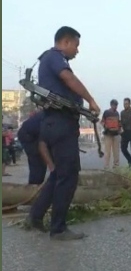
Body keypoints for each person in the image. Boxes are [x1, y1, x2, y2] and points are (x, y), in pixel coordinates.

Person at [25, 26, 101, 240]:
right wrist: (91, 99)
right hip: (60, 125)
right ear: (66, 42)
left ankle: (36, 216)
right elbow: (69, 79)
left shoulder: (49, 59)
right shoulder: (54, 58)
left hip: (53, 123)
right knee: (68, 175)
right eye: (76, 45)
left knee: (58, 174)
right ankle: (58, 228)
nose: (77, 50)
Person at [17, 110, 48, 185]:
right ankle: (33, 185)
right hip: (29, 137)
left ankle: (36, 183)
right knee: (37, 163)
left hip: (32, 136)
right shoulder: (48, 117)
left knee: (41, 164)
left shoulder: (49, 115)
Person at [101, 99, 122, 169]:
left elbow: (119, 123)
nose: (115, 107)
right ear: (111, 105)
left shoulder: (117, 113)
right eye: (114, 105)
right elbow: (102, 122)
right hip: (108, 134)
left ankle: (116, 165)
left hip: (116, 135)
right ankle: (106, 166)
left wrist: (119, 129)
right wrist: (105, 126)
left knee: (116, 151)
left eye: (116, 105)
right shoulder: (106, 112)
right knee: (107, 151)